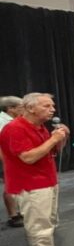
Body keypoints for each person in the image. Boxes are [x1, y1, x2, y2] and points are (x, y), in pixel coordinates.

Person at [0, 93, 72, 246]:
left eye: (52, 106)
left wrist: (60, 138)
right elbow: (28, 157)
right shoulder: (15, 128)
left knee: (48, 221)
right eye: (47, 106)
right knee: (38, 225)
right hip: (31, 182)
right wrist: (54, 139)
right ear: (30, 108)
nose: (52, 110)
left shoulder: (40, 127)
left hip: (46, 179)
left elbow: (51, 152)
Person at [0, 96, 25, 227]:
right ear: (10, 109)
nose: (24, 109)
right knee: (10, 185)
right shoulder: (2, 121)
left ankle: (21, 211)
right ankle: (14, 215)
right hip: (6, 158)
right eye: (21, 106)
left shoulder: (15, 120)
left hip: (15, 157)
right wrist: (6, 161)